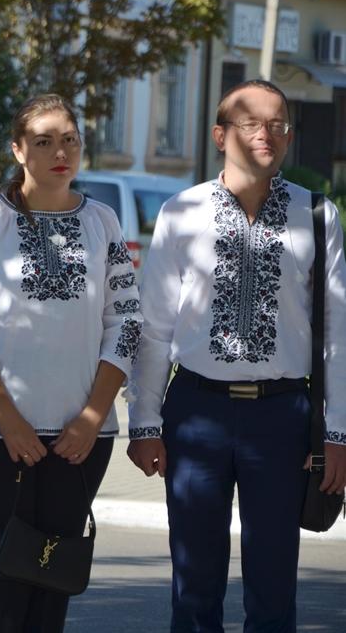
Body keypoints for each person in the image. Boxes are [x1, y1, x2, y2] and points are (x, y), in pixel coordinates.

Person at [127, 79, 346, 632]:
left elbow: (337, 333)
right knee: (194, 586)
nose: (266, 134)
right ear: (221, 134)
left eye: (278, 124)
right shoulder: (182, 212)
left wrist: (338, 435)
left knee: (273, 590)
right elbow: (153, 327)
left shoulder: (317, 216)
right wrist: (144, 421)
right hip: (197, 412)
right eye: (251, 122)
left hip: (283, 418)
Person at [0, 93, 141, 632]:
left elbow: (126, 323)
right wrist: (10, 421)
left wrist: (92, 417)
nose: (60, 151)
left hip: (80, 442)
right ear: (18, 150)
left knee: (54, 585)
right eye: (44, 141)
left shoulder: (103, 221)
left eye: (70, 139)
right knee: (3, 584)